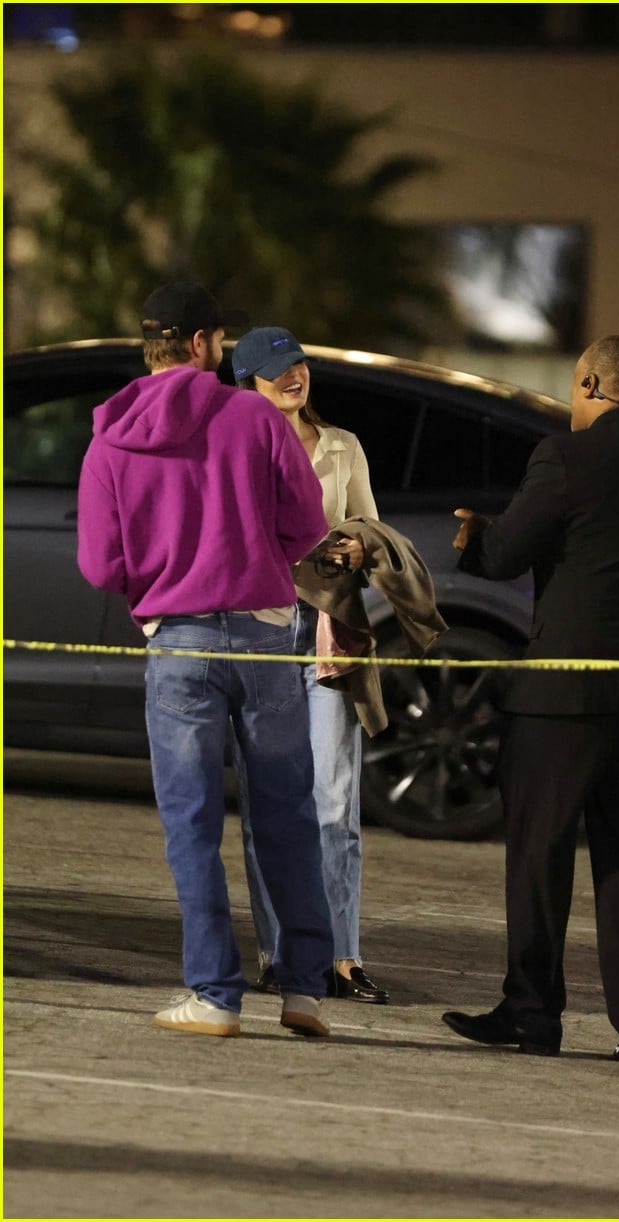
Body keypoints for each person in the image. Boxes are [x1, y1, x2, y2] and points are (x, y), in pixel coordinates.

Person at [441, 335, 619, 1069]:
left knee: (541, 851)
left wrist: (476, 538)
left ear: (591, 383)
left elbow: (505, 555)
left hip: (567, 693)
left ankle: (532, 1014)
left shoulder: (563, 457)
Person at [77, 282, 335, 1039]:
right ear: (199, 343)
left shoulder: (110, 436)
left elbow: (99, 564)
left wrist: (156, 577)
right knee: (287, 812)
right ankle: (304, 989)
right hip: (264, 636)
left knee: (191, 823)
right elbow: (308, 525)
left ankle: (215, 995)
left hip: (178, 644)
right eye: (220, 340)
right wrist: (257, 554)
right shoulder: (254, 417)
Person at [232, 326, 390, 1004]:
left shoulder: (342, 446)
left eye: (298, 363)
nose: (293, 375)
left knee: (334, 801)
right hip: (260, 633)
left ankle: (341, 956)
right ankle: (278, 953)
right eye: (277, 370)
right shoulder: (235, 447)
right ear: (248, 385)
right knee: (269, 800)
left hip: (329, 632)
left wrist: (358, 548)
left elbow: (372, 534)